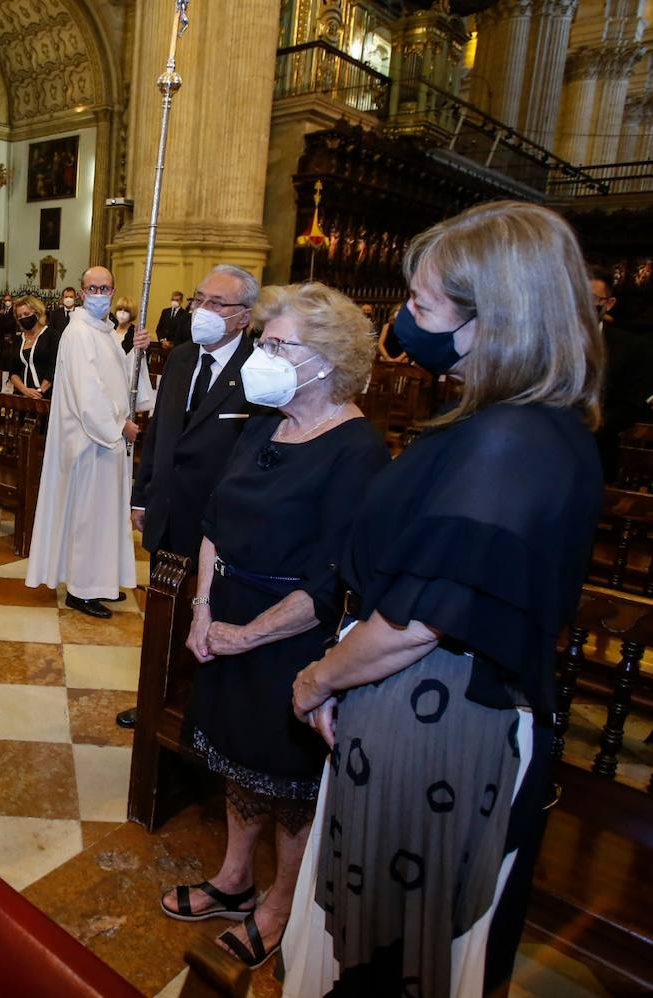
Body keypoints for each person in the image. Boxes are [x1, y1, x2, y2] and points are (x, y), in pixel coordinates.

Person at [283, 201, 605, 996]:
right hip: (422, 707)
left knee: (387, 953)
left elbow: (417, 620)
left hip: (438, 720)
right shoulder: (524, 423)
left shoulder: (510, 440)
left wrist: (320, 677)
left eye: (423, 308)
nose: (408, 323)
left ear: (493, 319)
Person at [159, 283, 388, 973]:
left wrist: (246, 635)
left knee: (287, 784)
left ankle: (279, 906)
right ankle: (234, 879)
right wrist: (203, 611)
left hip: (291, 642)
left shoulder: (359, 451)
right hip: (224, 621)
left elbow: (333, 583)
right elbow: (213, 526)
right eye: (263, 341)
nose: (261, 354)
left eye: (277, 344)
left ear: (324, 360)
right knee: (236, 762)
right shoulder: (262, 422)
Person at [117, 264, 267, 730]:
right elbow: (160, 430)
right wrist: (140, 497)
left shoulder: (259, 370)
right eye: (200, 298)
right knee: (164, 615)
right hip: (167, 511)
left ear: (243, 317)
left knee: (208, 617)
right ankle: (155, 699)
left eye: (216, 304)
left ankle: (197, 710)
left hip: (217, 526)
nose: (202, 310)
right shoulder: (181, 357)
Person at [26, 266, 153, 618]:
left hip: (106, 443)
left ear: (113, 291)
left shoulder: (105, 331)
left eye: (106, 287)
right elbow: (88, 392)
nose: (100, 293)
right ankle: (81, 589)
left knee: (105, 517)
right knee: (87, 517)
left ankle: (101, 581)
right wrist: (120, 424)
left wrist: (136, 352)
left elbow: (117, 377)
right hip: (89, 441)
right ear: (82, 292)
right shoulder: (79, 333)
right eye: (93, 288)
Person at [590, 264, 653, 480]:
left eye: (591, 300)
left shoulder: (630, 347)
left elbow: (631, 406)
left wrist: (587, 426)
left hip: (595, 454)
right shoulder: (547, 342)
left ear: (608, 304)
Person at [8, 294, 57, 399]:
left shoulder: (52, 335)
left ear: (37, 313)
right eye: (19, 316)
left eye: (26, 314)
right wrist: (25, 390)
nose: (23, 318)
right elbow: (13, 371)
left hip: (47, 395)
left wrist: (39, 391)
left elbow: (55, 368)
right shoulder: (18, 340)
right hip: (23, 395)